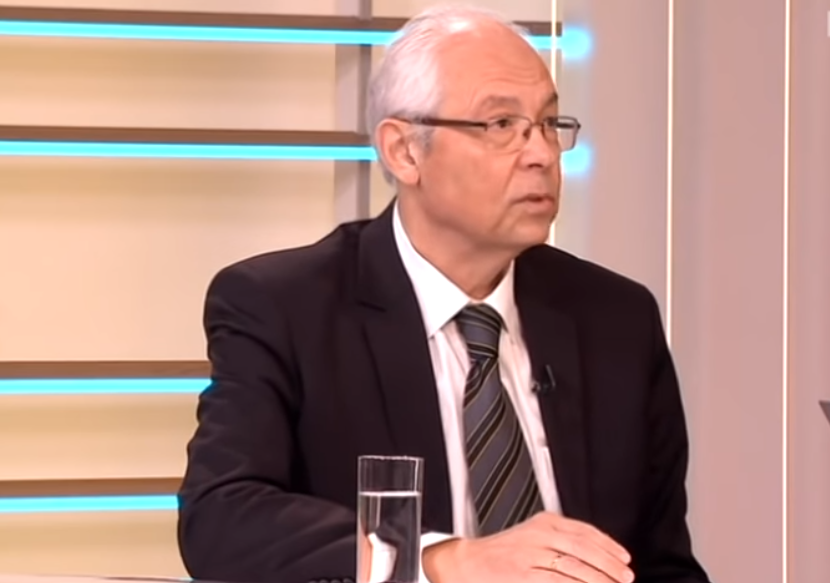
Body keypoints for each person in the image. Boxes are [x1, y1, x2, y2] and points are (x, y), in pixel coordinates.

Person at [177, 4, 711, 583]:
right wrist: (439, 559)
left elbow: (663, 566)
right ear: (404, 151)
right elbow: (222, 517)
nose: (542, 154)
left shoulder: (616, 319)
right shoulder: (285, 309)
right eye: (501, 125)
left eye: (548, 124)